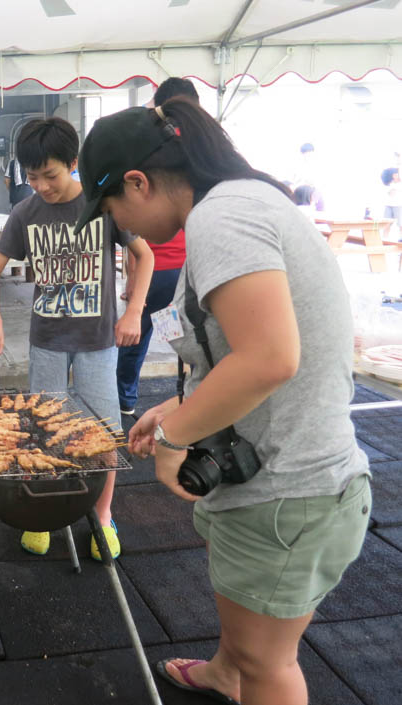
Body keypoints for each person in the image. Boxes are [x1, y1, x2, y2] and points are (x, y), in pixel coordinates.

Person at [76, 101, 370, 705]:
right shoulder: (244, 199)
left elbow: (268, 358)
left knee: (269, 664)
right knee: (246, 638)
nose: (117, 226)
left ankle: (241, 677)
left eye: (111, 211)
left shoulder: (223, 217)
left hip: (291, 491)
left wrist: (170, 437)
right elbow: (250, 350)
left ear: (139, 182)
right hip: (280, 478)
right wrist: (186, 409)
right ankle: (222, 674)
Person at [0, 117, 154, 558]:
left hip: (97, 341)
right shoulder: (25, 213)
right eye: (31, 177)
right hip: (47, 341)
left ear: (73, 163)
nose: (41, 186)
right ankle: (45, 517)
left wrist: (133, 310)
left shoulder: (102, 204)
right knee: (42, 433)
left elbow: (144, 256)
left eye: (50, 175)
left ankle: (104, 515)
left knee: (105, 433)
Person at [116, 78, 199, 416]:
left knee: (139, 335)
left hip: (161, 272)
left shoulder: (148, 150)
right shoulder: (199, 152)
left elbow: (136, 233)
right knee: (183, 340)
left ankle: (125, 401)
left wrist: (134, 281)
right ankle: (192, 395)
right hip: (185, 271)